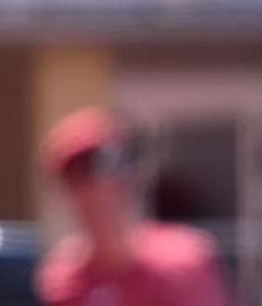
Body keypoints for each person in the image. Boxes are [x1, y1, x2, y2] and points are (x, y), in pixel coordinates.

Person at [34, 107, 232, 306]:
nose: (101, 195)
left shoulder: (182, 261)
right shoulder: (63, 278)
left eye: (116, 173)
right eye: (80, 180)